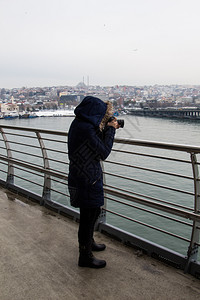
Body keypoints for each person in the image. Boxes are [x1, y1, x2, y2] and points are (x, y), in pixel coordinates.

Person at [68, 96, 119, 268]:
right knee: (88, 217)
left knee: (92, 212)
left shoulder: (80, 124)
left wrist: (104, 128)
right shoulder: (86, 129)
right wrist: (111, 130)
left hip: (84, 175)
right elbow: (103, 152)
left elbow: (93, 146)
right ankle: (85, 257)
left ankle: (89, 243)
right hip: (87, 178)